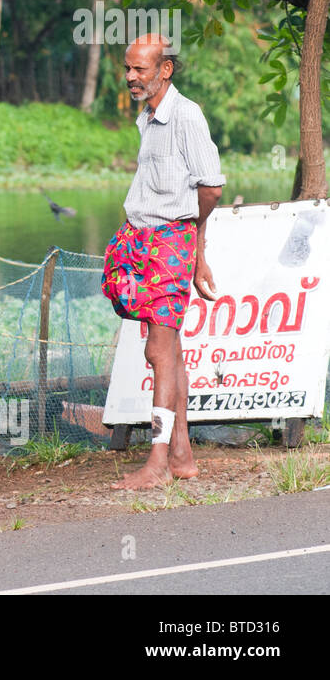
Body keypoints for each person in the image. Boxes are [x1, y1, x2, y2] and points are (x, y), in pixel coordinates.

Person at [102, 33, 223, 490]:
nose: (131, 77)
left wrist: (193, 246)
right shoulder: (146, 118)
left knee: (158, 348)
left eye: (140, 69)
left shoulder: (186, 116)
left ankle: (156, 462)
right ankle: (182, 453)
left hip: (170, 239)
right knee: (168, 350)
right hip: (140, 238)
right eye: (128, 68)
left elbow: (210, 188)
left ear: (165, 70)